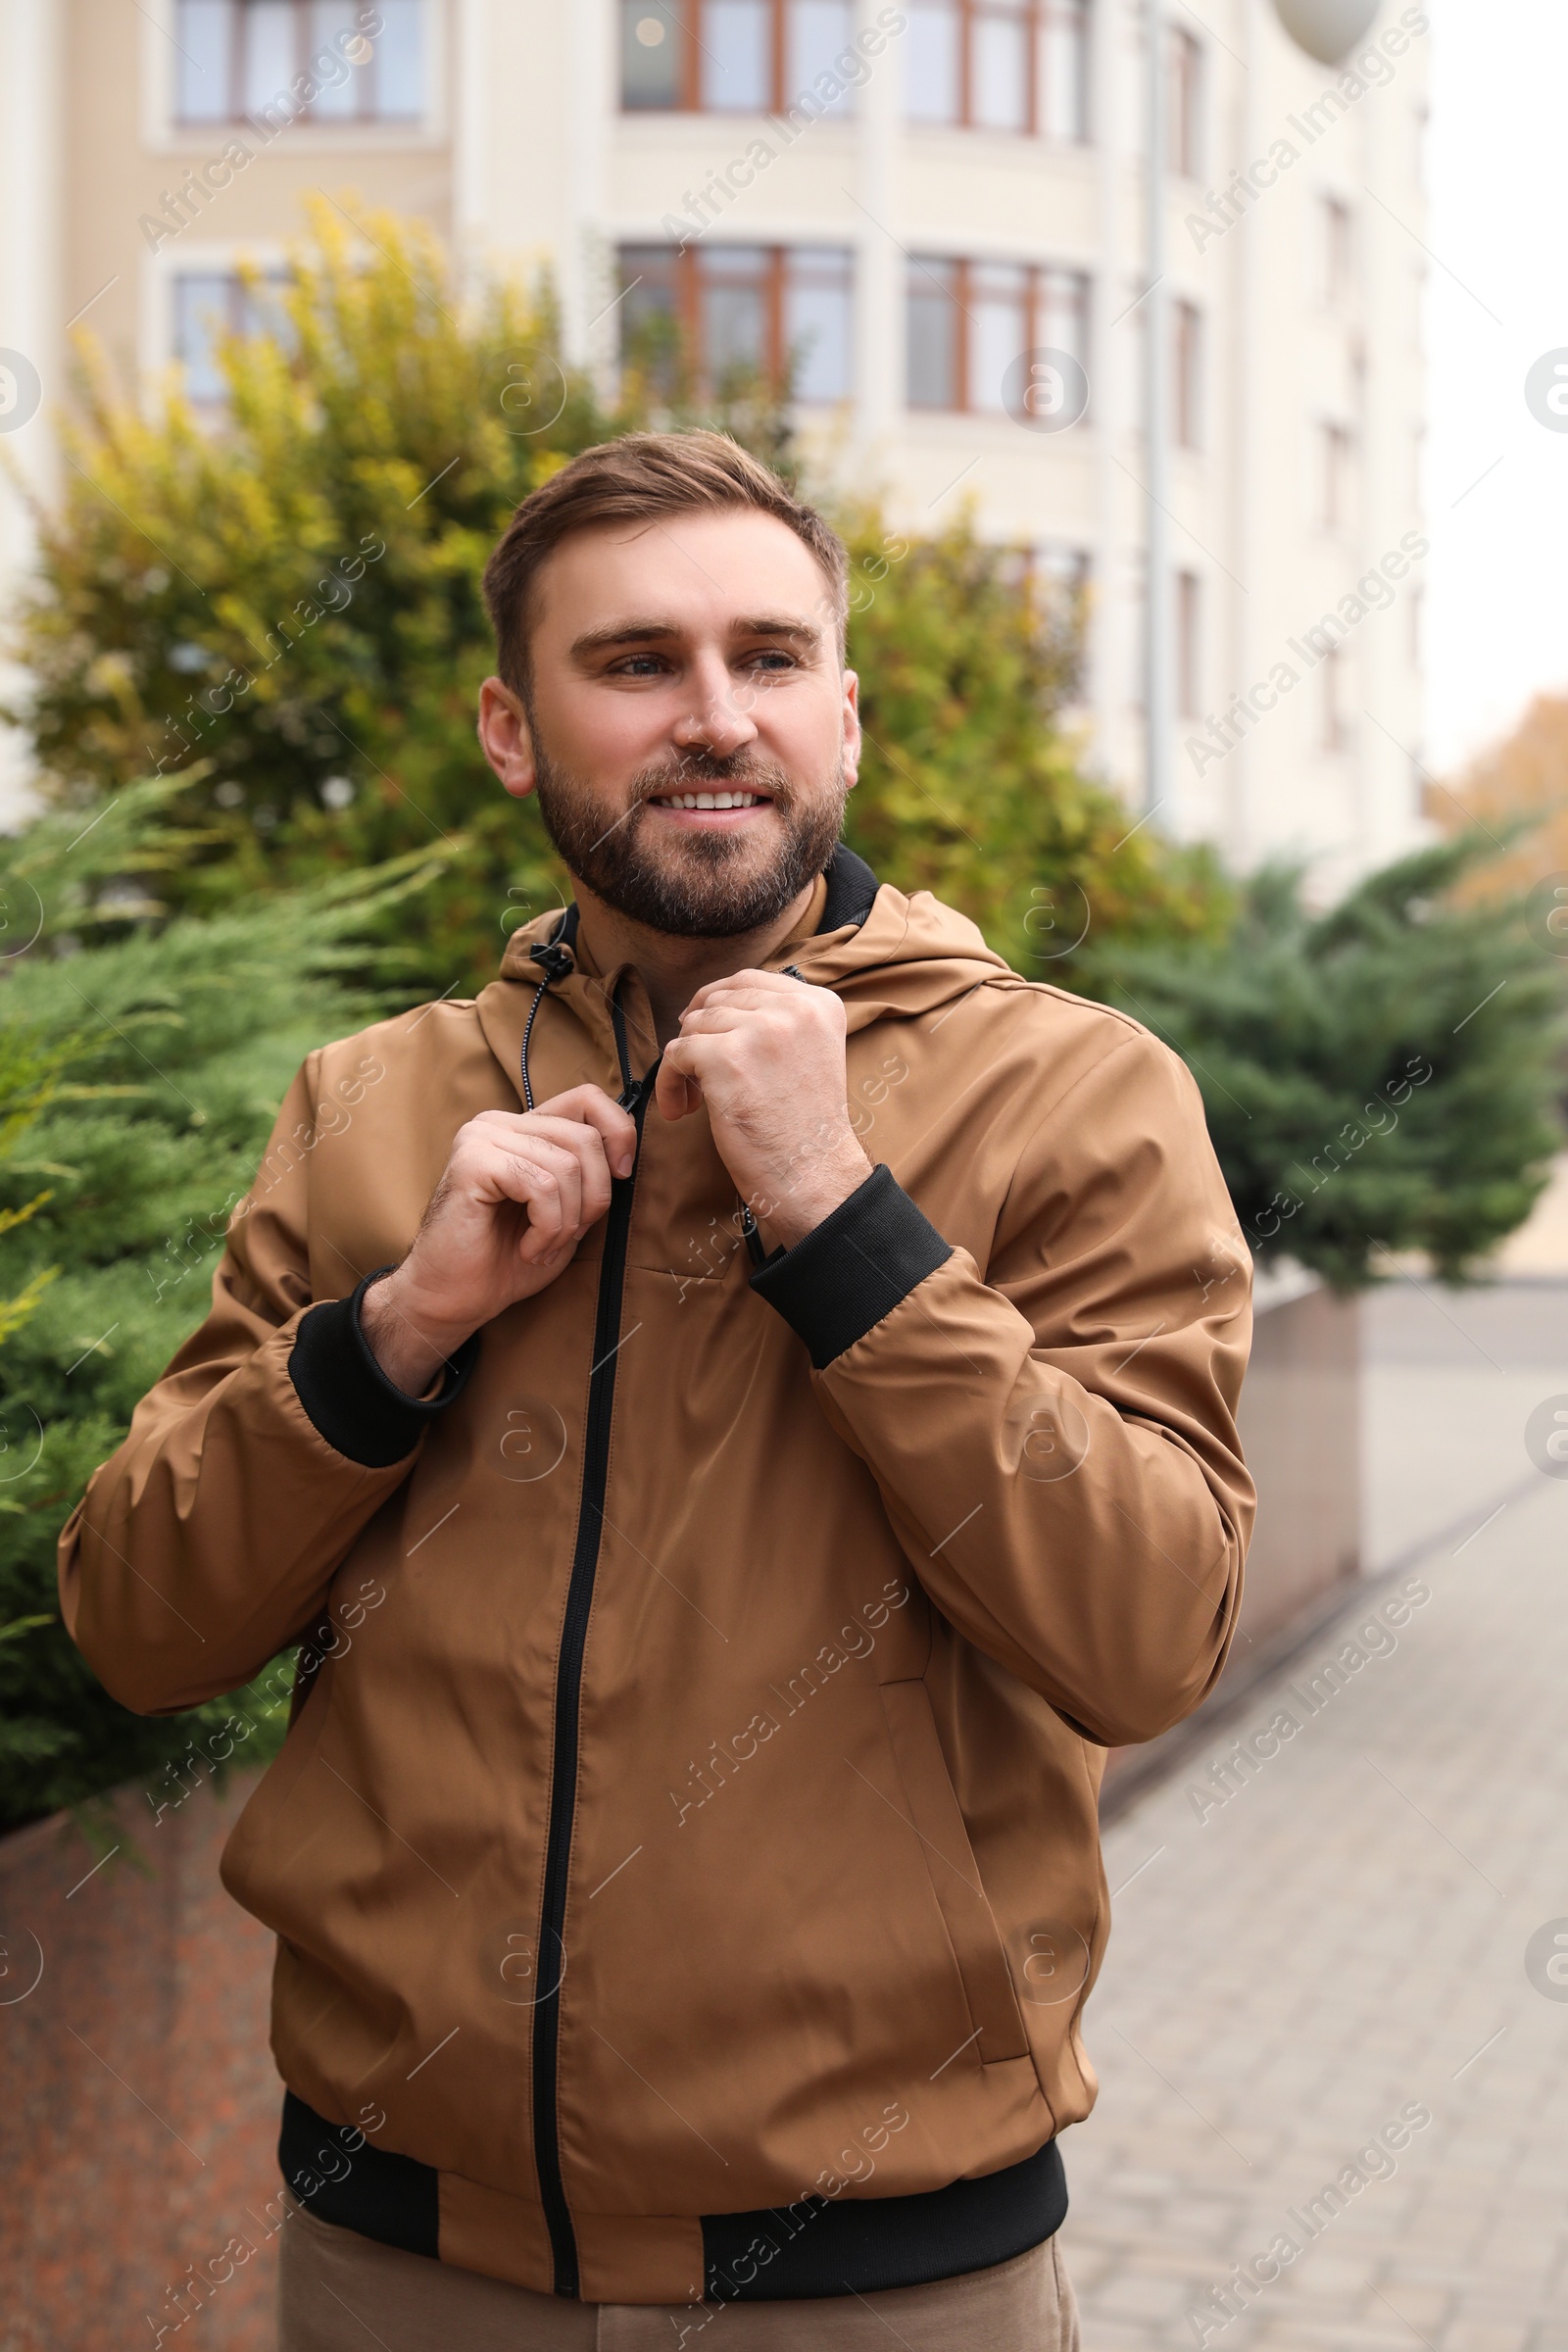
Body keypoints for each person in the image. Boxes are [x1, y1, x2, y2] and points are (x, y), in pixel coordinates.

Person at [60, 430, 1254, 2350]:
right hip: (392, 2260)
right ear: (513, 731)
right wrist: (395, 1333)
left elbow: (1145, 1634)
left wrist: (842, 1219)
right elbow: (135, 1622)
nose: (716, 717)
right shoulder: (368, 1105)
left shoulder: (1078, 1093)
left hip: (878, 2278)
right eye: (633, 665)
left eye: (769, 658)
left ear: (844, 721)